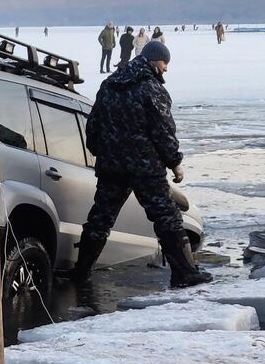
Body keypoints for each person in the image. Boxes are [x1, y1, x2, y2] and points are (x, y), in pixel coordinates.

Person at [70, 40, 209, 288]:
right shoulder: (151, 88)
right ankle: (185, 273)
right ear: (154, 60)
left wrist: (102, 152)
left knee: (100, 219)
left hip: (112, 167)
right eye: (165, 63)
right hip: (145, 168)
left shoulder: (109, 85)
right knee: (167, 217)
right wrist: (174, 162)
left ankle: (81, 272)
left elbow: (93, 127)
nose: (166, 69)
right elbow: (163, 131)